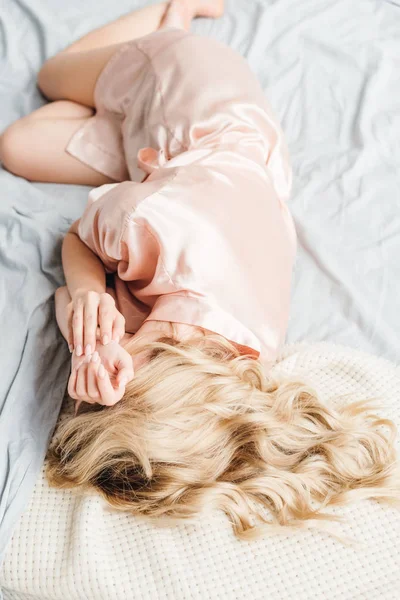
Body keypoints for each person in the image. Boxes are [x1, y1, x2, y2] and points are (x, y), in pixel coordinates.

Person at [1, 0, 398, 543]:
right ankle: (175, 13)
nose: (96, 375)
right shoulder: (148, 232)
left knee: (20, 147)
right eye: (111, 381)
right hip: (194, 90)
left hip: (223, 172)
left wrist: (87, 336)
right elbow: (77, 237)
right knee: (52, 79)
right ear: (151, 362)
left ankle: (138, 154)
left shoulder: (239, 361)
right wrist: (89, 289)